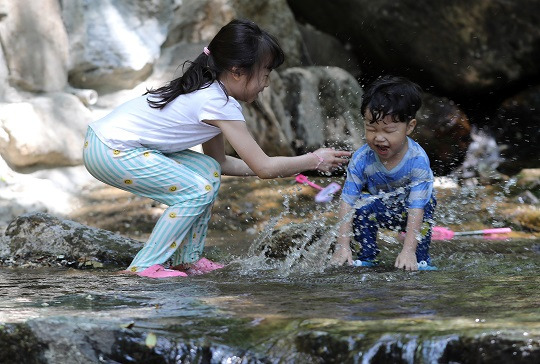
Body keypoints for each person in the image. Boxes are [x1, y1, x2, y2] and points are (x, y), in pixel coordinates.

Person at [83, 19, 350, 278]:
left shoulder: (212, 93)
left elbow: (221, 164)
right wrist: (313, 160)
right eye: (265, 73)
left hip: (105, 144)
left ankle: (186, 259)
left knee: (207, 170)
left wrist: (294, 166)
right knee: (195, 191)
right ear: (237, 71)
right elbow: (264, 167)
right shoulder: (218, 103)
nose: (267, 83)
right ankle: (144, 266)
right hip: (110, 150)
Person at [330, 75, 437, 271]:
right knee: (362, 204)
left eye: (388, 131)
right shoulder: (362, 159)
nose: (379, 138)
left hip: (414, 211)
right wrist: (342, 245)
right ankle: (367, 256)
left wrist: (407, 251)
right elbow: (347, 202)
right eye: (371, 128)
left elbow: (416, 208)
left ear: (409, 127)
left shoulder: (417, 160)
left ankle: (419, 257)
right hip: (382, 208)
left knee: (427, 206)